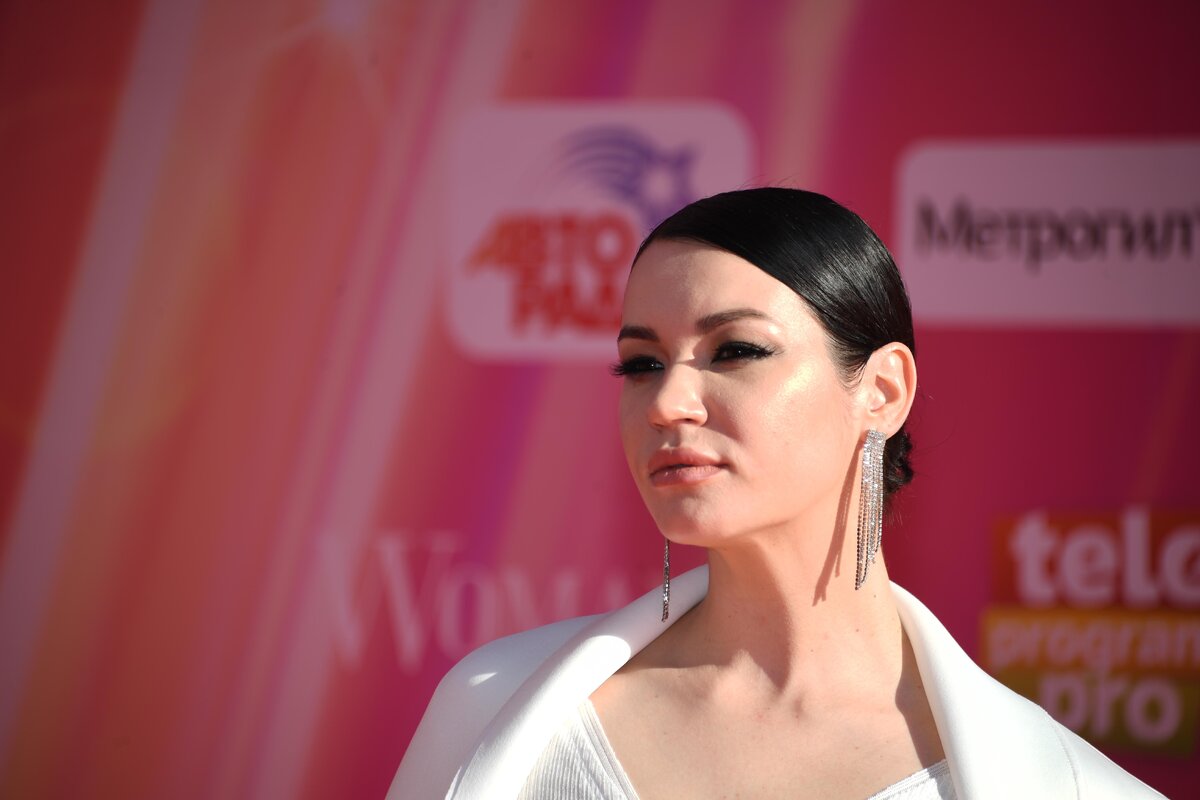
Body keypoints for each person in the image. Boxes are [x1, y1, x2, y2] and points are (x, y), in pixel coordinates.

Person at [387, 189, 1164, 799]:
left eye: (735, 350)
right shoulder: (488, 707)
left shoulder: (1073, 788)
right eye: (642, 363)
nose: (667, 403)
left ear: (883, 392)